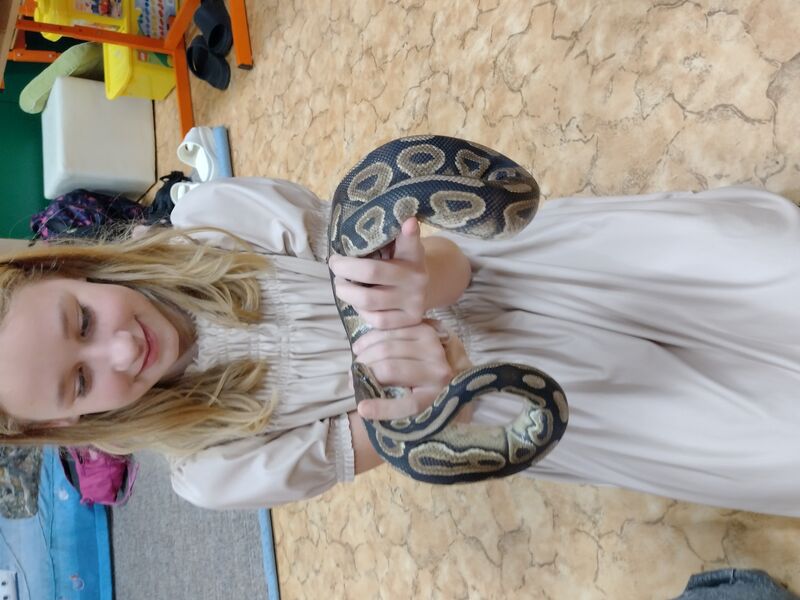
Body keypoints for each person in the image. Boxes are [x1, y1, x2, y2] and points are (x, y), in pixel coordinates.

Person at [1, 177, 799, 516]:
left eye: (82, 321)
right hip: (507, 399)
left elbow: (439, 257)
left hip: (507, 279)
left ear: (69, 267)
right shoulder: (213, 472)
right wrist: (426, 393)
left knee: (763, 266)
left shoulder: (217, 221)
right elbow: (402, 433)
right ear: (69, 425)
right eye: (80, 383)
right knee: (778, 450)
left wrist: (423, 286)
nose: (120, 351)